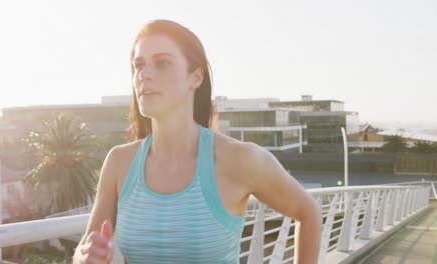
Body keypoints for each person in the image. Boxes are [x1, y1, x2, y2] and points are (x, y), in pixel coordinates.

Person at [72, 19, 322, 264]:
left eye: (162, 63)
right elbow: (85, 248)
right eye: (138, 65)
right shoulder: (119, 162)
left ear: (196, 77)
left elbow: (308, 212)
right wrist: (84, 256)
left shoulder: (239, 159)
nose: (144, 74)